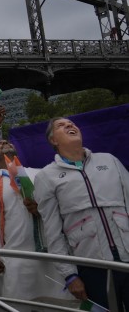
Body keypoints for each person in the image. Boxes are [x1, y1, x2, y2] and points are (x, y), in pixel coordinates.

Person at [34, 117, 129, 310]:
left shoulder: (109, 161)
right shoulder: (46, 176)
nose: (69, 125)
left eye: (71, 123)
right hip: (91, 267)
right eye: (61, 125)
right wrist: (69, 274)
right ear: (53, 141)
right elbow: (52, 230)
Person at [0, 141, 74, 310]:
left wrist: (41, 209)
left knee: (56, 305)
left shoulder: (40, 174)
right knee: (18, 306)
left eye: (7, 142)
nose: (4, 143)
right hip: (15, 259)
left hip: (50, 257)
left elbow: (64, 208)